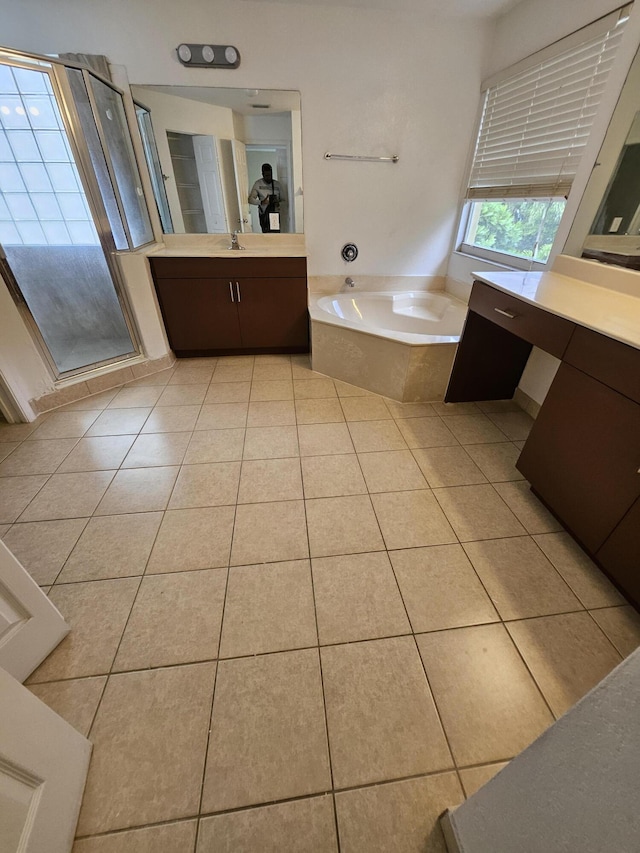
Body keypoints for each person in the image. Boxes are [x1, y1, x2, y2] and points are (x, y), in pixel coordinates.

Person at [248, 163, 283, 232]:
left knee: (276, 234)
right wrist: (261, 202)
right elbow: (250, 200)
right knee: (266, 235)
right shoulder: (258, 184)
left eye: (270, 175)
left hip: (275, 214)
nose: (268, 177)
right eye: (266, 175)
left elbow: (284, 200)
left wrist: (278, 203)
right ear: (262, 174)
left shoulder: (277, 184)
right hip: (264, 214)